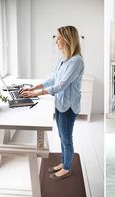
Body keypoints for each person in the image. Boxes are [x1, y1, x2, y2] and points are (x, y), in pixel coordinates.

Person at [20, 26, 84, 180]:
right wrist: (35, 86)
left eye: (59, 38)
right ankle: (64, 162)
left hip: (69, 106)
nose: (56, 41)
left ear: (68, 40)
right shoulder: (64, 58)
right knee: (62, 136)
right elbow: (53, 79)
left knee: (66, 138)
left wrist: (37, 93)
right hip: (61, 103)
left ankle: (67, 168)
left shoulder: (76, 61)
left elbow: (61, 85)